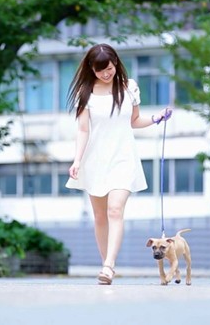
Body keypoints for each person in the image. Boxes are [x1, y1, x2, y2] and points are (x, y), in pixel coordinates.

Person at [66, 43, 172, 285]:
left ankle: (109, 265)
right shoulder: (85, 93)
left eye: (109, 68)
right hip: (95, 160)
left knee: (115, 209)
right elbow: (83, 130)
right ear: (91, 69)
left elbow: (134, 121)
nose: (106, 73)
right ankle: (107, 264)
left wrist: (156, 118)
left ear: (116, 63)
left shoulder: (129, 87)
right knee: (100, 216)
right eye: (100, 70)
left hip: (123, 158)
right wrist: (77, 160)